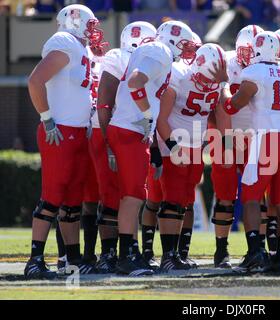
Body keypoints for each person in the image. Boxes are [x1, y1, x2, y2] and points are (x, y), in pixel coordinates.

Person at [107, 20, 196, 276]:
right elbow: (136, 81)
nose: (187, 49)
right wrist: (147, 114)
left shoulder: (152, 50)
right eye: (185, 44)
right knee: (134, 196)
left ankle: (129, 251)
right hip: (130, 128)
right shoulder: (161, 51)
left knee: (132, 196)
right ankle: (127, 256)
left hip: (127, 127)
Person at [212, 31, 280, 272]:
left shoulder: (254, 72)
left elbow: (231, 107)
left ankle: (255, 252)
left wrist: (224, 84)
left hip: (266, 139)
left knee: (251, 198)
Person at [24, 4, 107, 279]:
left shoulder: (81, 48)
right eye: (90, 25)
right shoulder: (65, 42)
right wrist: (47, 118)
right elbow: (35, 80)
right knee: (52, 197)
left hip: (78, 132)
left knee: (72, 203)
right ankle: (35, 260)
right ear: (74, 22)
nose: (93, 31)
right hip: (58, 132)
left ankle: (72, 260)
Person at [149, 43, 230, 271]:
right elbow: (160, 119)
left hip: (196, 146)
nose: (208, 85)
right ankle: (167, 256)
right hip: (173, 144)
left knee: (184, 201)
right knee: (172, 200)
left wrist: (227, 147)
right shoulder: (178, 76)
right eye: (206, 78)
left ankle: (176, 254)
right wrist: (173, 147)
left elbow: (223, 115)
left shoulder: (219, 84)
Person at [93, 21, 157, 274]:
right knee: (113, 195)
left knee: (130, 194)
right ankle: (109, 253)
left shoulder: (147, 60)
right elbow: (104, 102)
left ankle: (123, 252)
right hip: (112, 130)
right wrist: (109, 143)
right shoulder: (119, 57)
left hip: (129, 131)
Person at [209, 24, 264, 269]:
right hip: (224, 135)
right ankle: (221, 250)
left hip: (256, 137)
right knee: (225, 195)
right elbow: (219, 106)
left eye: (254, 50)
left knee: (257, 195)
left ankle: (258, 248)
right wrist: (227, 139)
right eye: (245, 50)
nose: (249, 55)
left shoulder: (269, 66)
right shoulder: (226, 63)